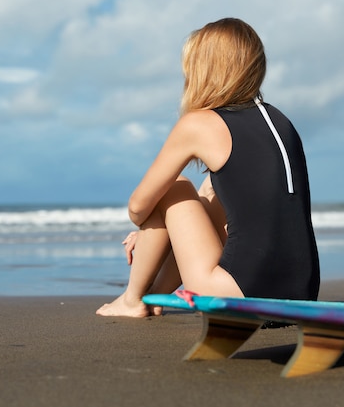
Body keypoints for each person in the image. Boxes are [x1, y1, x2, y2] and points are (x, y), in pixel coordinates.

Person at [96, 18, 319, 318]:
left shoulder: (199, 124)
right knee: (210, 193)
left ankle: (132, 299)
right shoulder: (281, 122)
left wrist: (149, 227)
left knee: (175, 187)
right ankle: (155, 297)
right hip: (303, 291)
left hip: (240, 290)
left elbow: (137, 207)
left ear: (203, 69)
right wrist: (163, 233)